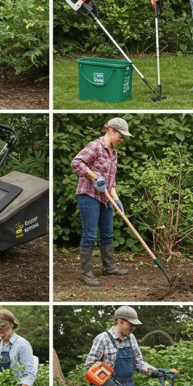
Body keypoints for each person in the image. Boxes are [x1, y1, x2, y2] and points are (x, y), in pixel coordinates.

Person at [70, 117, 131, 287]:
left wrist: (117, 200)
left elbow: (110, 181)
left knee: (107, 232)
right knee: (89, 234)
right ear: (110, 130)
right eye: (121, 134)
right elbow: (76, 162)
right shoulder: (95, 146)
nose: (122, 138)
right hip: (88, 195)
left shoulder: (114, 153)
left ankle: (109, 267)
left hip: (106, 198)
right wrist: (94, 177)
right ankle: (86, 273)